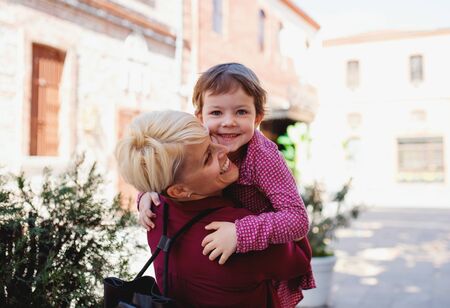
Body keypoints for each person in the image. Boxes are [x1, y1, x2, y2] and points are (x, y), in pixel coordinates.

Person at [138, 63, 316, 307]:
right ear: (200, 117)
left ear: (258, 118)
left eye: (241, 112)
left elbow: (297, 220)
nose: (229, 122)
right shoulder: (196, 143)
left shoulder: (264, 157)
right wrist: (147, 193)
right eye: (216, 113)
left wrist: (241, 233)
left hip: (266, 238)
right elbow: (165, 165)